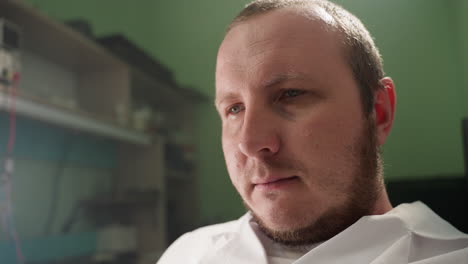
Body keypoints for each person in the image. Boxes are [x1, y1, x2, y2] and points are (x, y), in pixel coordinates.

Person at [158, 0, 468, 263]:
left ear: (378, 112)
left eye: (291, 94)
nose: (250, 143)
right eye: (234, 109)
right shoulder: (187, 252)